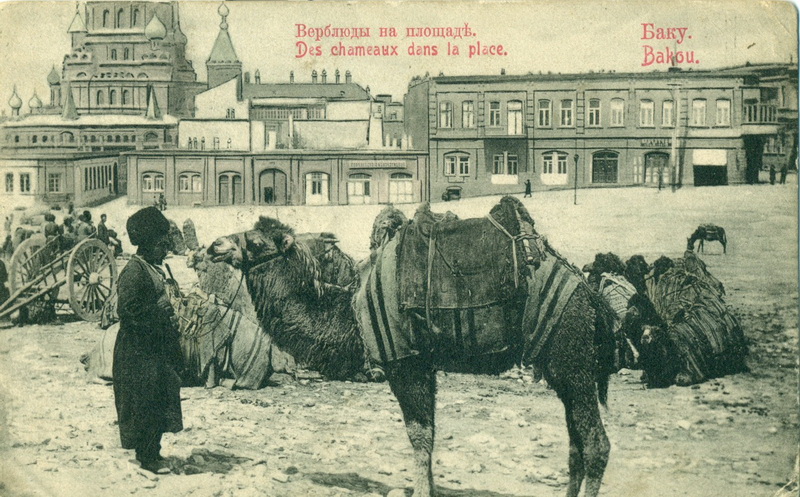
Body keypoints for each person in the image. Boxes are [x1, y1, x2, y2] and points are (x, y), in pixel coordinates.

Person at [113, 206, 182, 475]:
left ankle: (154, 450)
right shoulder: (134, 271)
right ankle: (146, 455)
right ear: (149, 244)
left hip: (154, 347)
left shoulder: (153, 268)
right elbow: (128, 312)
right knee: (144, 401)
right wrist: (160, 312)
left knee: (160, 397)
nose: (165, 250)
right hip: (137, 351)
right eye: (161, 245)